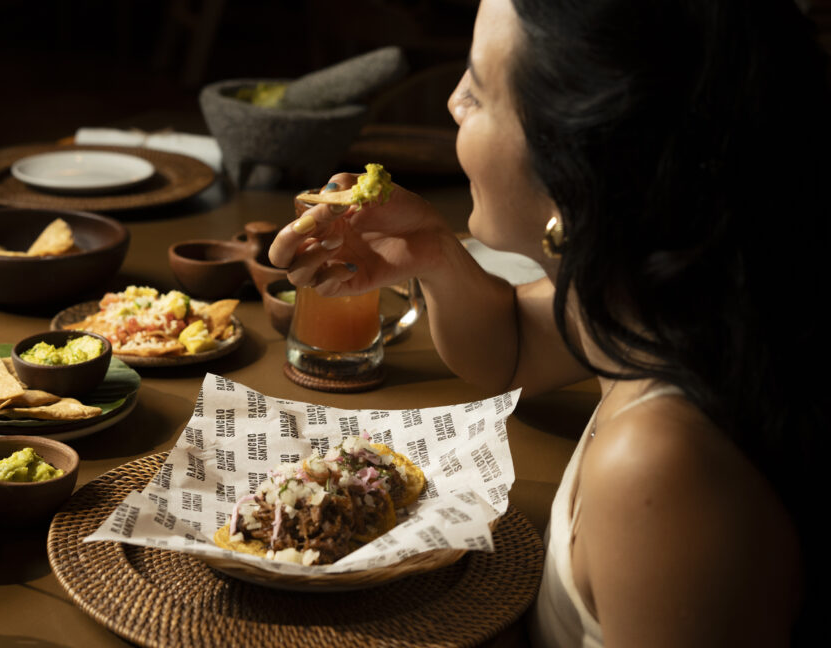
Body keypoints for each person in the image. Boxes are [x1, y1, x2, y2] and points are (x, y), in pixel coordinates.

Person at [269, 0, 825, 645]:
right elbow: (512, 351)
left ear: (572, 164)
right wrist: (434, 254)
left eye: (476, 91)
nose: (453, 103)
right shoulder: (676, 298)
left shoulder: (660, 472)